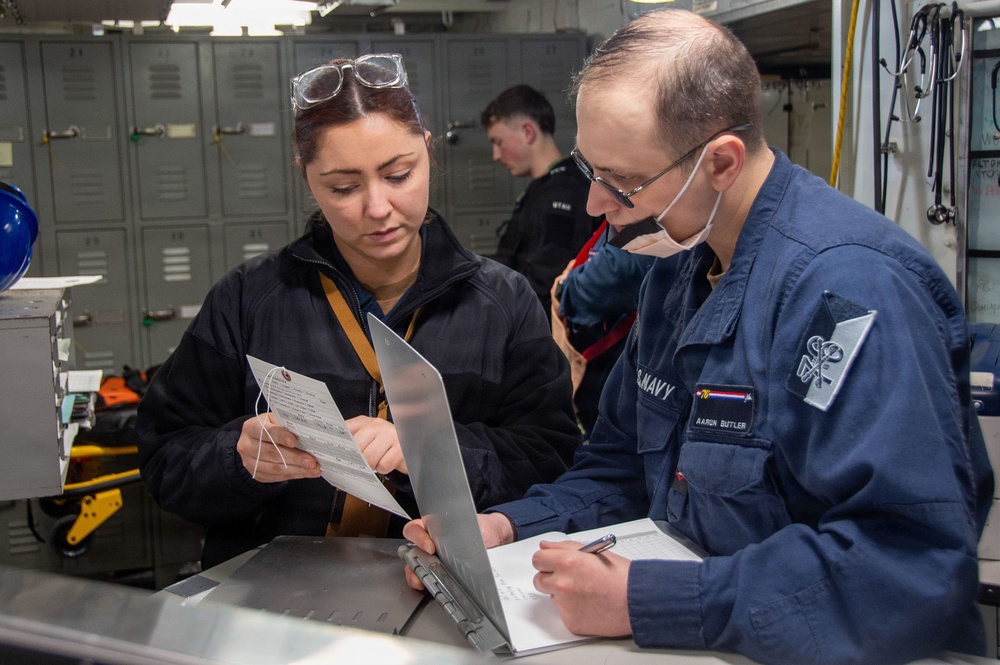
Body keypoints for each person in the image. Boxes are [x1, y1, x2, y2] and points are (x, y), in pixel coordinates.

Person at [404, 11, 995, 665]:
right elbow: (622, 465)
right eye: (589, 170)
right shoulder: (677, 269)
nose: (596, 204)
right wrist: (508, 525)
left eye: (622, 182)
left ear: (721, 162)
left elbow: (906, 567)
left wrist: (649, 600)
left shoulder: (849, 293)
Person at [136, 54, 581, 569]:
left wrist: (432, 450)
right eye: (344, 188)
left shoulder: (503, 303)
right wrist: (237, 460)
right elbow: (164, 457)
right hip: (281, 589)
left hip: (444, 584)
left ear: (428, 151)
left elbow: (552, 462)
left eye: (399, 175)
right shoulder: (248, 300)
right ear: (307, 177)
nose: (378, 208)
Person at [482, 84, 601, 316]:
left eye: (498, 142)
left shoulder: (562, 193)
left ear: (527, 132)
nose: (496, 155)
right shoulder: (546, 188)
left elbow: (545, 284)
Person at [550, 222, 654, 437]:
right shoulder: (611, 224)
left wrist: (563, 285)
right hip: (596, 388)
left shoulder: (644, 224)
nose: (594, 207)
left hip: (621, 381)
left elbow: (598, 285)